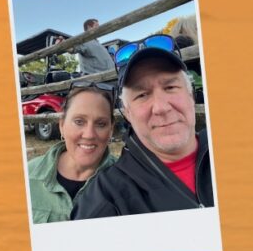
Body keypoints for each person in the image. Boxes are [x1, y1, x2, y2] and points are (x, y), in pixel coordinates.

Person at [72, 35, 212, 218]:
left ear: (191, 95)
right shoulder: (104, 200)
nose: (161, 108)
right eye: (142, 95)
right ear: (127, 112)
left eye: (170, 87)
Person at [28, 83, 118, 223]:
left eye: (100, 124)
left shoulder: (126, 181)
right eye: (79, 121)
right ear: (62, 125)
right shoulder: (27, 177)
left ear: (111, 130)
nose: (89, 135)